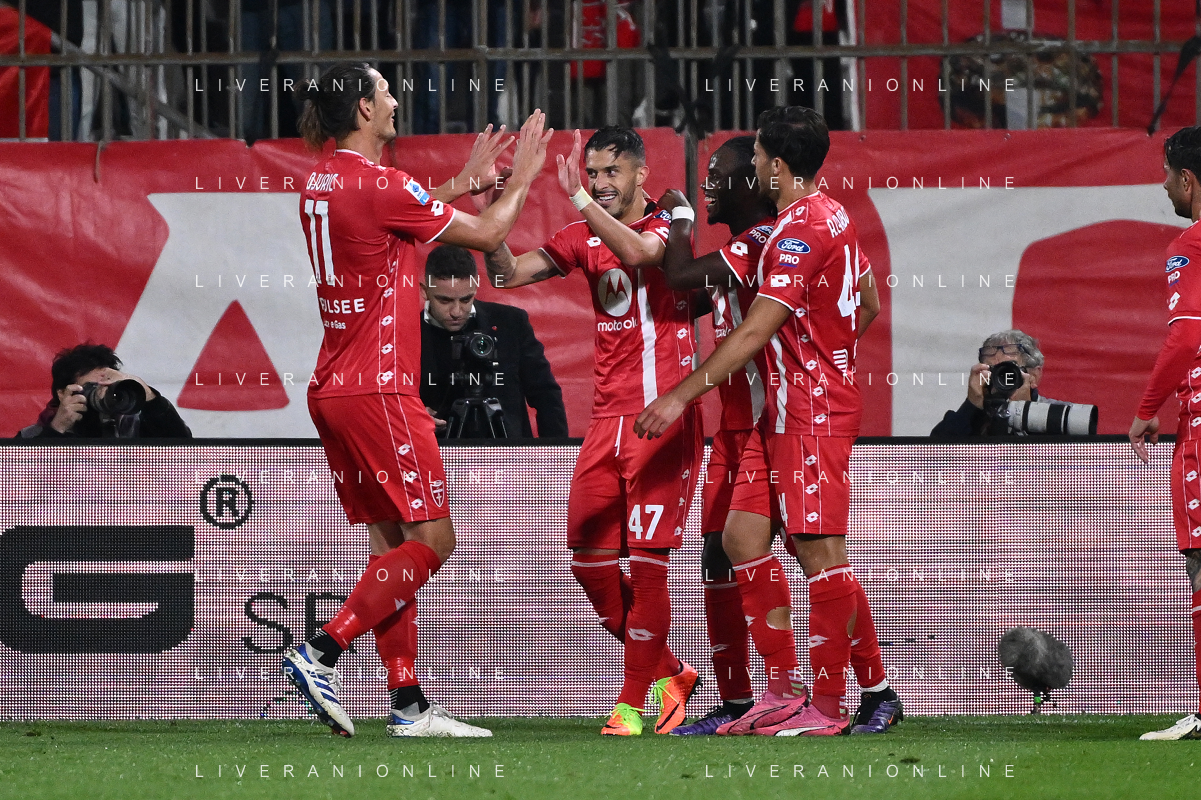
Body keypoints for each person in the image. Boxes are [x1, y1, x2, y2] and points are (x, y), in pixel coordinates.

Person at [281, 60, 552, 739]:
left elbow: (385, 215)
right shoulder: (381, 184)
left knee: (390, 548)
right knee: (434, 539)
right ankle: (321, 651)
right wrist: (523, 178)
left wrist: (460, 185)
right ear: (364, 108)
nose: (395, 100)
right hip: (380, 387)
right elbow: (487, 236)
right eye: (384, 91)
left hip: (333, 387)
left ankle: (407, 704)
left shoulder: (323, 180)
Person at [636, 106, 899, 736]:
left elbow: (756, 330)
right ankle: (782, 691)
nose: (751, 165)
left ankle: (833, 704)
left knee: (818, 550)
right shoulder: (829, 214)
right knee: (740, 541)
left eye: (754, 156)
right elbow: (866, 299)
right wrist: (830, 351)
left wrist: (678, 397)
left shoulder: (797, 233)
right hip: (784, 410)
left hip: (808, 410)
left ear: (776, 165)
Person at [483, 126, 702, 736]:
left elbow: (639, 253)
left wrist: (578, 198)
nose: (601, 184)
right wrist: (491, 216)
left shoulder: (670, 218)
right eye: (593, 173)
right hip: (607, 420)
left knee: (648, 562)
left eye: (612, 172)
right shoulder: (581, 235)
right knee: (588, 555)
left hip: (661, 414)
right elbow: (508, 274)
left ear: (640, 173)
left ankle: (631, 704)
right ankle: (671, 672)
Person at [1130, 125, 1201, 741]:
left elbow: (1185, 336)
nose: (1162, 186)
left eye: (1165, 174)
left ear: (1188, 180)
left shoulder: (1191, 244)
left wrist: (1147, 407)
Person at [419, 243, 568, 438]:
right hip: (437, 451)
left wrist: (555, 452)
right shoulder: (402, 335)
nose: (456, 311)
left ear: (476, 286)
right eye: (444, 301)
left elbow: (545, 394)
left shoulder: (510, 323)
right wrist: (410, 415)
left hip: (508, 452)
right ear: (425, 291)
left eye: (465, 299)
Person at [18, 343, 191, 438]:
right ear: (62, 393)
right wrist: (58, 428)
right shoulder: (30, 436)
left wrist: (149, 396)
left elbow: (184, 452)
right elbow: (24, 483)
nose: (101, 393)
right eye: (91, 387)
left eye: (107, 386)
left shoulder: (135, 427)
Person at [931, 330, 1070, 437]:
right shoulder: (970, 420)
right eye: (992, 370)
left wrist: (1024, 411)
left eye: (1009, 370)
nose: (1001, 378)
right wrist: (971, 405)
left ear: (1034, 376)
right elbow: (935, 454)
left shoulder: (1061, 416)